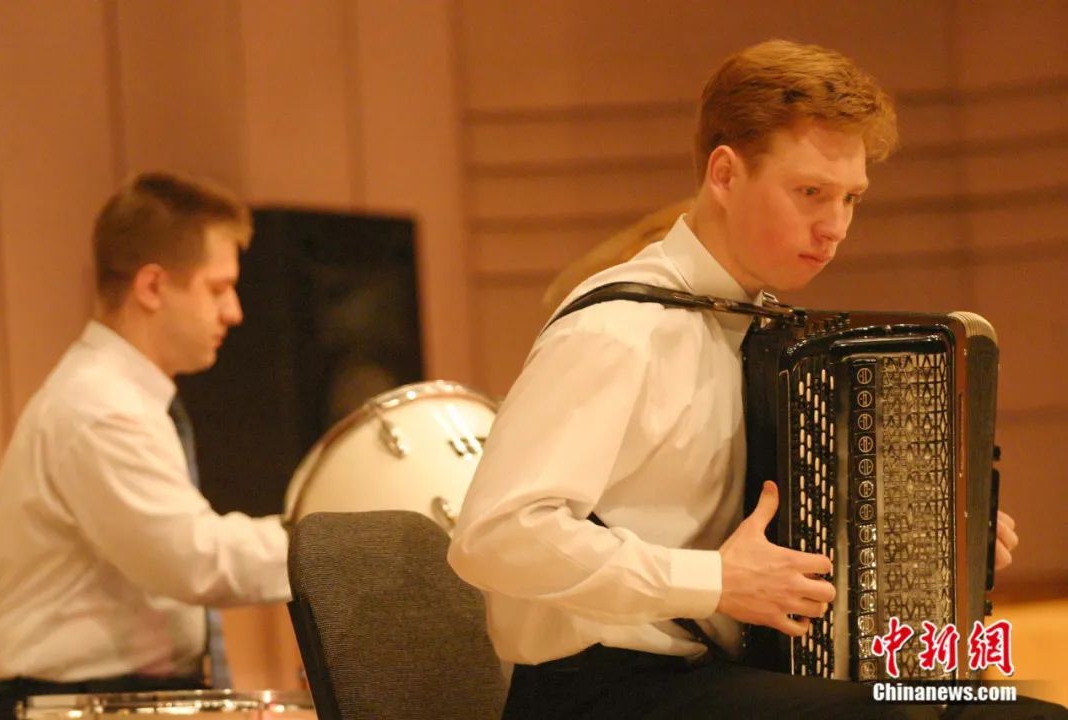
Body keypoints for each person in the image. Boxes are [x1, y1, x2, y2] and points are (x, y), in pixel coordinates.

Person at [448, 40, 1057, 719]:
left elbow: (784, 544)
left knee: (1009, 711)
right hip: (600, 694)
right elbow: (495, 536)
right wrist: (711, 580)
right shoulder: (616, 329)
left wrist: (936, 543)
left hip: (733, 678)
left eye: (851, 198)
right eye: (810, 193)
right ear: (725, 174)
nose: (834, 228)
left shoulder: (769, 333)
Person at [0, 172, 290, 717]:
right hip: (70, 702)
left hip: (109, 697)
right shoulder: (98, 407)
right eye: (217, 289)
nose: (234, 312)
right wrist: (333, 545)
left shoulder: (127, 398)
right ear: (152, 287)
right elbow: (194, 560)